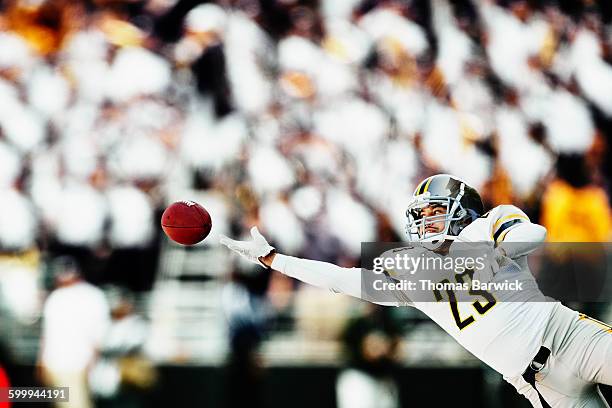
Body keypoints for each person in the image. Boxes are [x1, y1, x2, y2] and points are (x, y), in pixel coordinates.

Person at [221, 174, 612, 408]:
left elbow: (533, 235)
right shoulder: (412, 273)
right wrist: (275, 260)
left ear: (463, 210)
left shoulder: (488, 223)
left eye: (433, 211)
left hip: (566, 334)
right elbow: (341, 279)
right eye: (420, 215)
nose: (424, 222)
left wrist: (487, 252)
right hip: (533, 380)